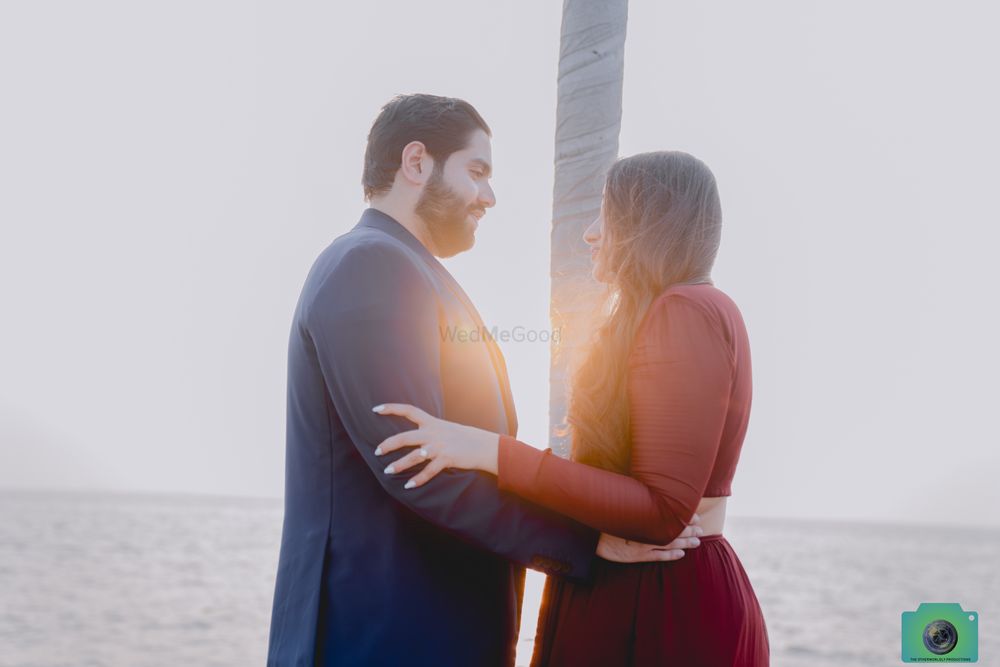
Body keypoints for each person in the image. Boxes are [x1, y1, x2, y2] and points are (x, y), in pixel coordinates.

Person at [267, 96, 702, 667]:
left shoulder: (406, 268)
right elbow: (416, 467)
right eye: (477, 172)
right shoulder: (371, 265)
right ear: (416, 162)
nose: (490, 197)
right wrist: (588, 542)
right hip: (385, 635)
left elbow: (469, 453)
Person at [374, 151, 770, 666]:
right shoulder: (676, 310)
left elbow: (663, 513)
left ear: (651, 221)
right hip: (639, 590)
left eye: (607, 214)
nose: (590, 234)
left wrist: (494, 452)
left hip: (660, 604)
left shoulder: (687, 310)